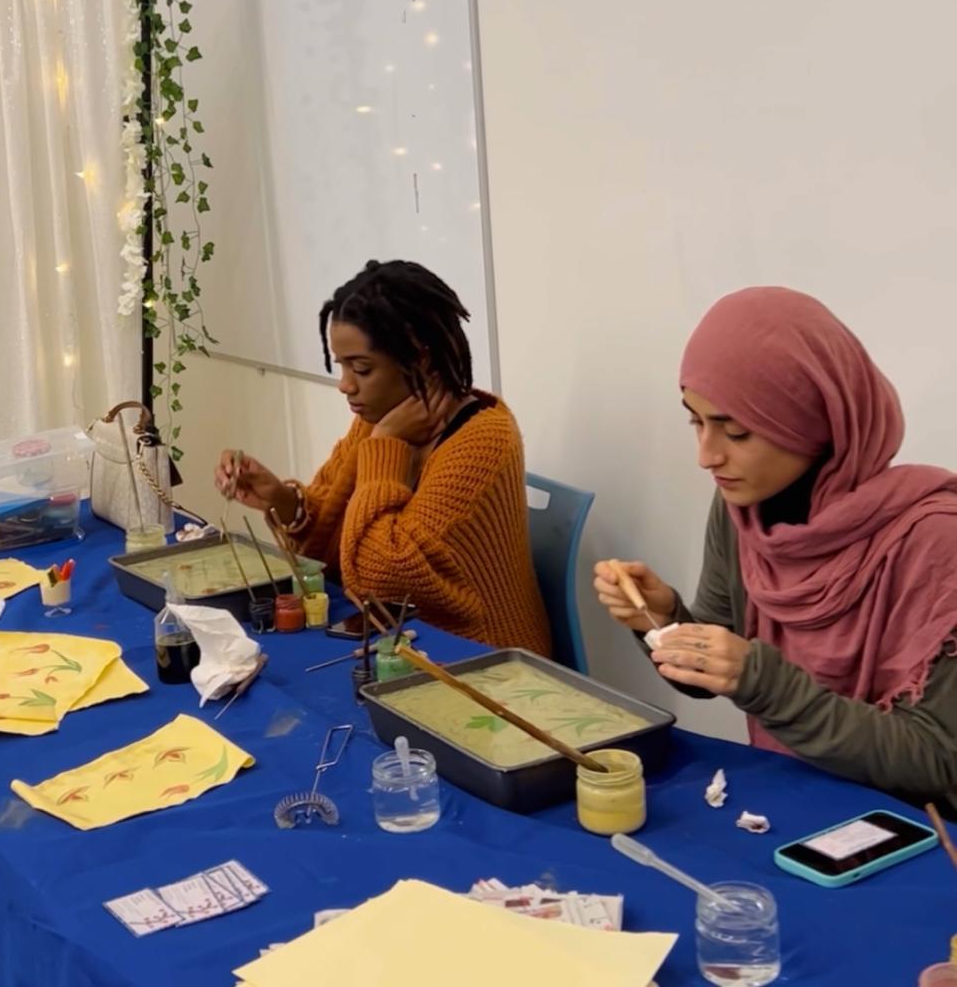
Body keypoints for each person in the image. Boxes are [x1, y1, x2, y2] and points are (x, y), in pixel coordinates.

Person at [595, 287, 957, 815]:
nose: (706, 456)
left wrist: (764, 683)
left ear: (811, 422)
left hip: (910, 834)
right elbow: (711, 677)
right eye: (696, 421)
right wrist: (661, 620)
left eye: (736, 432)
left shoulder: (935, 543)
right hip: (788, 804)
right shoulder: (743, 511)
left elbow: (938, 761)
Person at [216, 259, 550, 655]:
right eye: (341, 366)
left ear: (419, 358)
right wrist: (282, 500)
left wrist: (385, 443)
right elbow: (334, 547)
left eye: (361, 369)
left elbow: (380, 574)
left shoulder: (482, 439)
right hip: (405, 638)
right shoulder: (377, 419)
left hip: (482, 656)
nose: (345, 385)